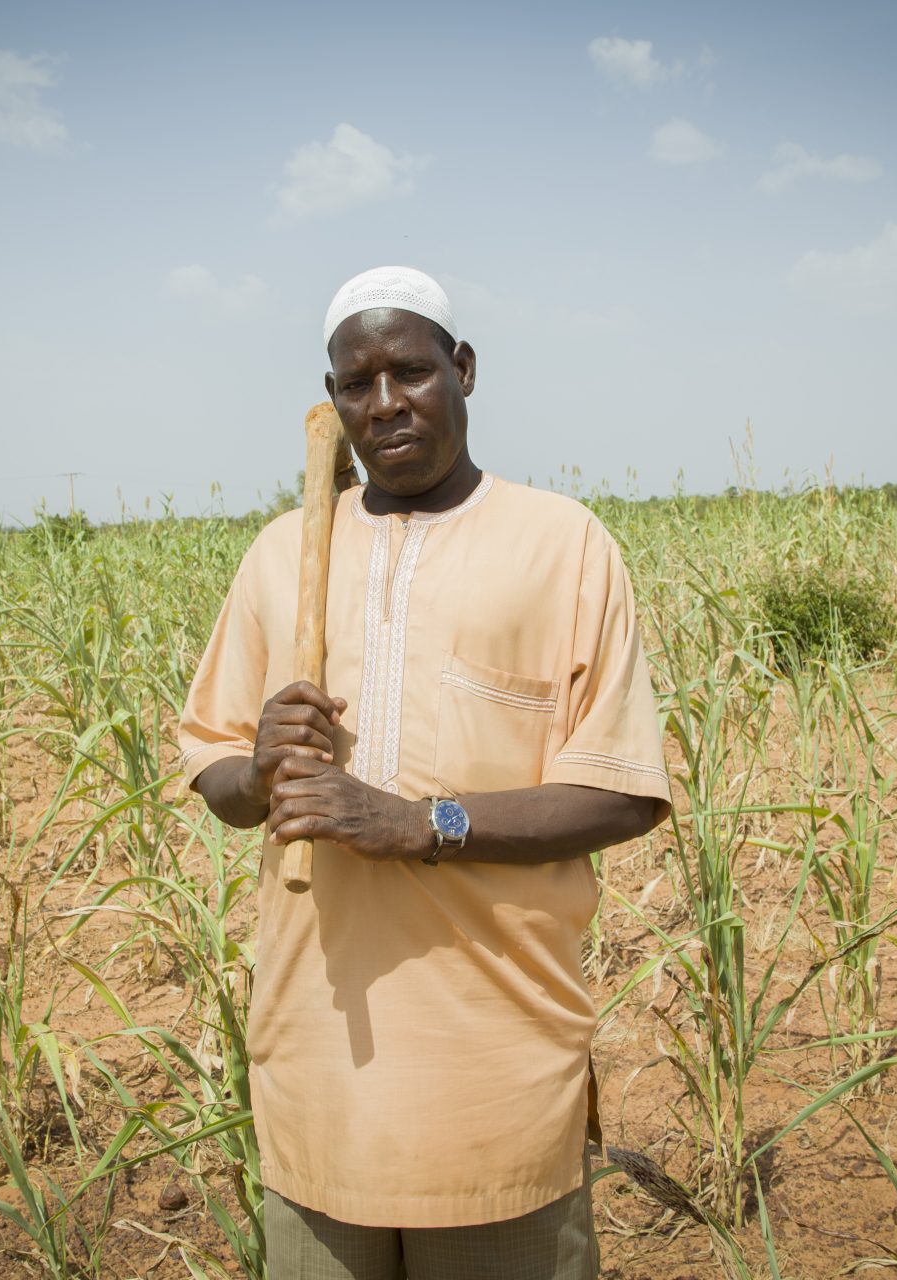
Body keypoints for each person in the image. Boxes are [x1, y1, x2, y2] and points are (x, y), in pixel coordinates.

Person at [178, 265, 671, 1279]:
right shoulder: (278, 556)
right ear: (333, 401)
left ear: (466, 369)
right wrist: (263, 768)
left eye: (410, 368)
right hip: (317, 1075)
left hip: (496, 1074)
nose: (386, 401)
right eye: (356, 382)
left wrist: (421, 822)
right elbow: (217, 769)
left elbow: (621, 789)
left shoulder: (563, 544)